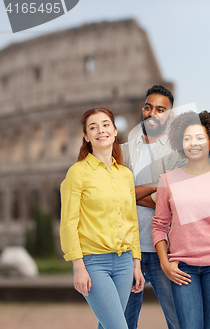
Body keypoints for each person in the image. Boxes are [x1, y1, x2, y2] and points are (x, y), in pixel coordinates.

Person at [152, 111, 210, 329]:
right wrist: (165, 263)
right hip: (182, 268)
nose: (193, 143)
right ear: (180, 143)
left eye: (200, 138)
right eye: (187, 138)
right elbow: (159, 225)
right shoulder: (168, 179)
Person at [60, 108, 145, 329]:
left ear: (115, 131)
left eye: (106, 125)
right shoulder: (77, 173)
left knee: (107, 325)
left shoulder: (125, 175)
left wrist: (136, 263)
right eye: (93, 127)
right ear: (86, 137)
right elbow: (69, 223)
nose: (101, 130)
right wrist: (78, 266)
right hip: (93, 263)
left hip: (125, 262)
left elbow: (132, 222)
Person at [122, 85, 185, 329]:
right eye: (148, 107)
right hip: (128, 250)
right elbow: (112, 196)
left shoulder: (179, 154)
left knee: (180, 321)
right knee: (120, 323)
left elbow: (173, 202)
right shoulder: (123, 151)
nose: (152, 113)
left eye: (160, 109)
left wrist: (130, 194)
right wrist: (157, 185)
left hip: (166, 253)